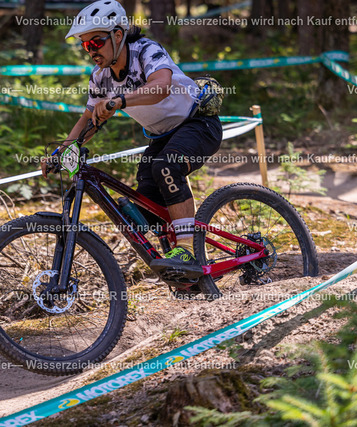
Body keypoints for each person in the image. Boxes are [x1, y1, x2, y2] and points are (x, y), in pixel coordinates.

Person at [42, 0, 223, 275]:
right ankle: (183, 270)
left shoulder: (146, 51)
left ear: (118, 35)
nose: (91, 50)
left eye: (96, 42)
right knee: (143, 200)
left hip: (198, 123)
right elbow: (88, 119)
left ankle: (187, 251)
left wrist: (120, 100)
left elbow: (161, 86)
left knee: (166, 166)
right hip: (163, 136)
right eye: (86, 45)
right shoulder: (100, 77)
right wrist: (61, 153)